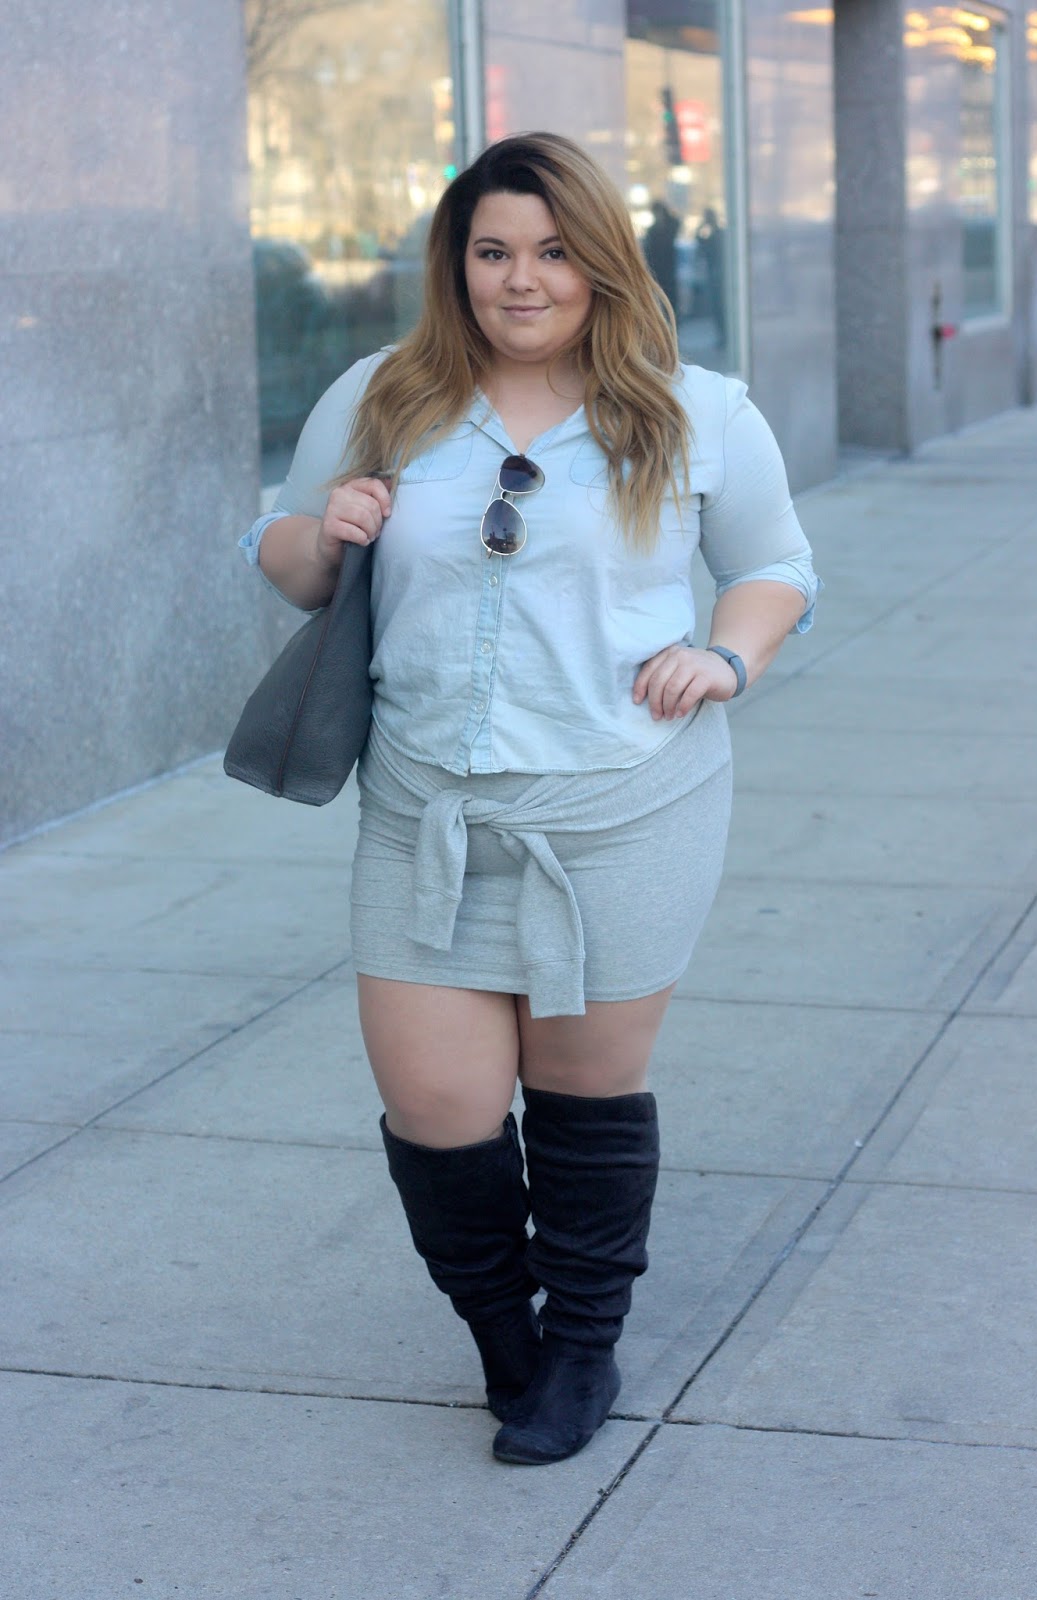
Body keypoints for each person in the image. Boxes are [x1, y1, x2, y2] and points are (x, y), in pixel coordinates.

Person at [238, 132, 819, 1467]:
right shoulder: (386, 394)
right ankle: (504, 1335)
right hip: (426, 814)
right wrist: (326, 529)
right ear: (456, 265)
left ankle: (581, 1350)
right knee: (436, 1115)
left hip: (623, 810)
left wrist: (723, 653)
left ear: (600, 259)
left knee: (581, 1099)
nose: (521, 280)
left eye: (552, 251)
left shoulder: (694, 407)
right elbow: (280, 556)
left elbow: (775, 562)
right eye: (492, 252)